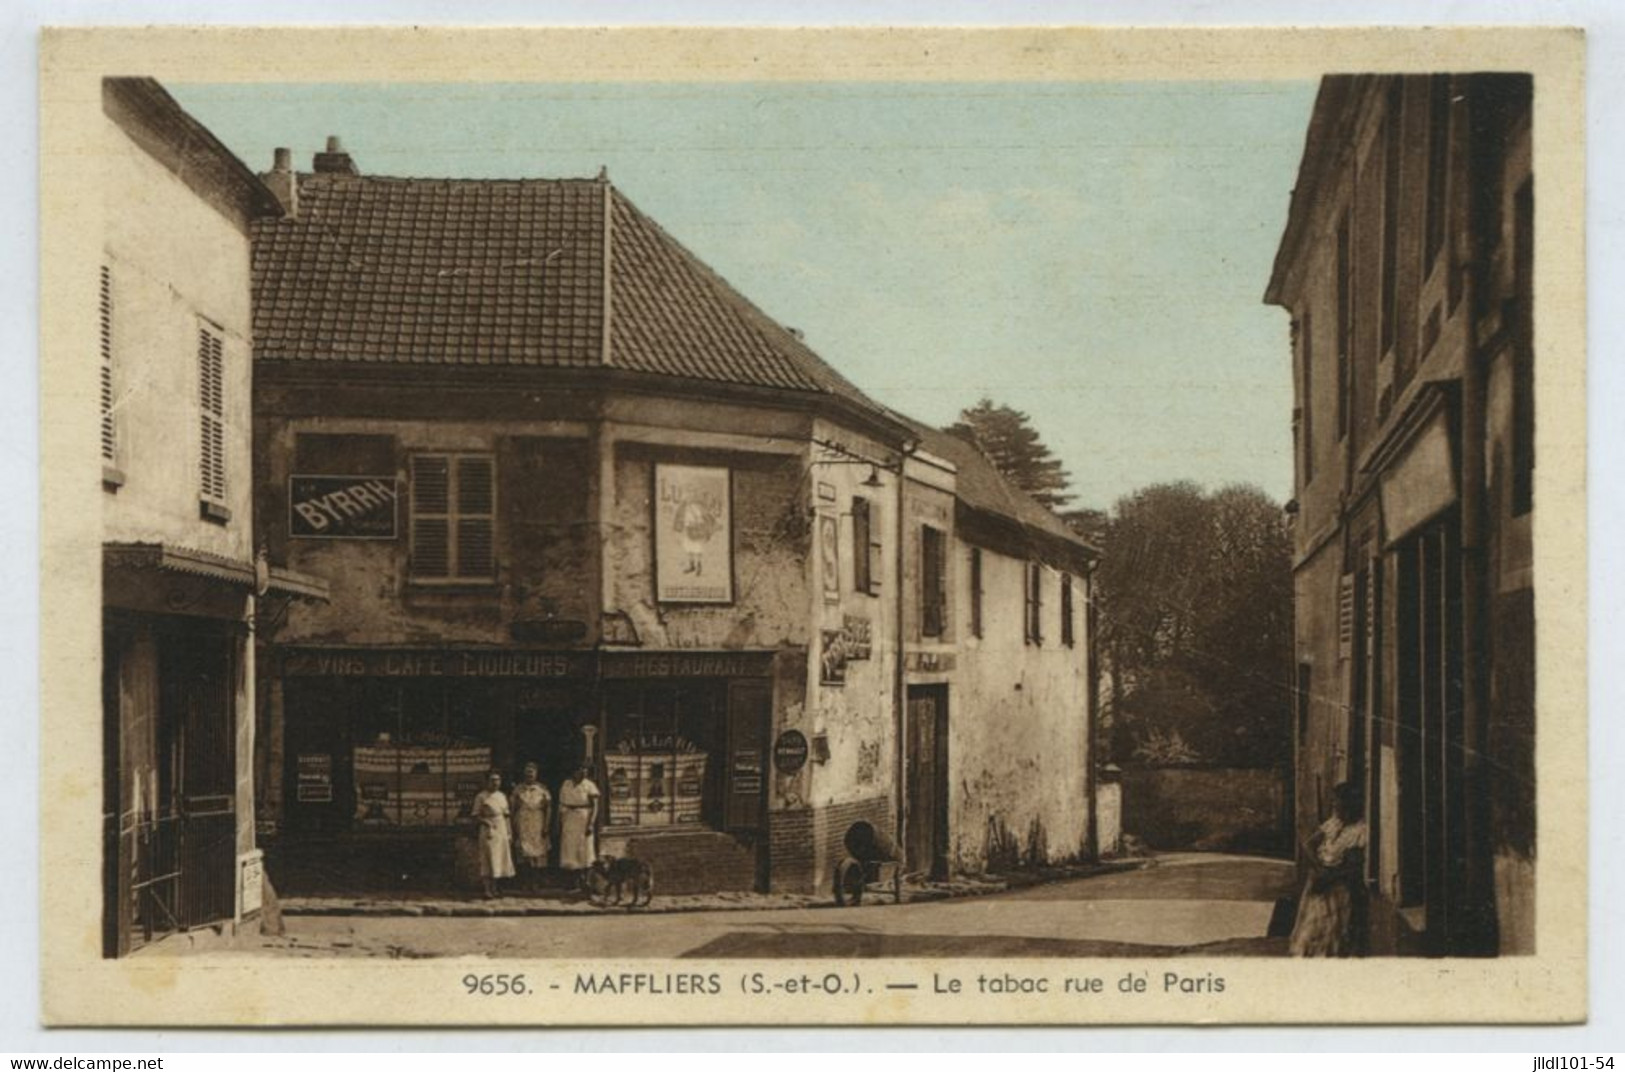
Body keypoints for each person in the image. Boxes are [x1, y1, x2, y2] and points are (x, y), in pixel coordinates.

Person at [1289, 781, 1369, 956]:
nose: (1334, 805)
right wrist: (1318, 868)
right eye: (1333, 801)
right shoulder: (1333, 824)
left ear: (1349, 804)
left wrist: (1327, 877)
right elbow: (1308, 844)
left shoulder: (1360, 831)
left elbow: (1353, 868)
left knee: (1331, 936)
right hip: (1318, 886)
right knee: (1310, 934)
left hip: (1338, 892)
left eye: (1337, 801)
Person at [472, 770, 516, 899]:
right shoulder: (481, 797)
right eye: (492, 780)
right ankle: (487, 889)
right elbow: (475, 815)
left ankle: (495, 888)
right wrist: (486, 822)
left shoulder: (502, 796)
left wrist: (509, 832)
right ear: (487, 782)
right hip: (488, 829)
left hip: (501, 827)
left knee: (498, 858)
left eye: (497, 780)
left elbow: (506, 816)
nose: (495, 783)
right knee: (488, 858)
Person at [511, 762, 553, 891]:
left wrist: (546, 825)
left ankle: (536, 882)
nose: (529, 775)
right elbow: (513, 808)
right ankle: (525, 881)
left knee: (538, 852)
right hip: (523, 821)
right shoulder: (518, 789)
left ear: (536, 774)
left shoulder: (542, 789)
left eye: (532, 772)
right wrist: (514, 825)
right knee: (523, 852)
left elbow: (548, 808)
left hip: (537, 821)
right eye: (527, 772)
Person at [557, 764, 601, 883]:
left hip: (583, 818)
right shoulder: (566, 784)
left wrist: (591, 823)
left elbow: (595, 806)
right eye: (580, 771)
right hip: (569, 818)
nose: (583, 774)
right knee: (569, 849)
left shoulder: (589, 785)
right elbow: (561, 804)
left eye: (585, 772)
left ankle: (585, 880)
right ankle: (572, 880)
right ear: (574, 772)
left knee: (584, 849)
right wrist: (559, 821)